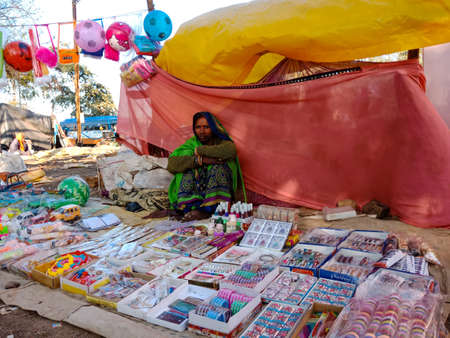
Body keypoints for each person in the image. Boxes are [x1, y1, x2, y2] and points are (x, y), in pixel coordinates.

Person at [150, 111, 245, 221]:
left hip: (214, 189)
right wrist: (200, 160)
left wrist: (199, 150)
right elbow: (172, 165)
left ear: (214, 128)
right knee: (186, 170)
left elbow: (230, 151)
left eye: (206, 127)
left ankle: (209, 210)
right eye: (198, 127)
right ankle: (189, 207)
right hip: (198, 185)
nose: (202, 131)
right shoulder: (191, 144)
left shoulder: (222, 143)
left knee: (218, 168)